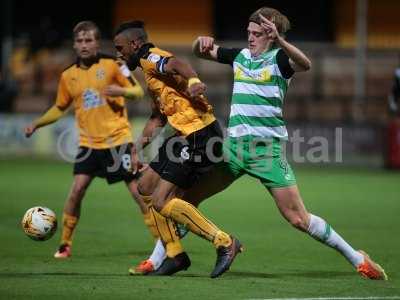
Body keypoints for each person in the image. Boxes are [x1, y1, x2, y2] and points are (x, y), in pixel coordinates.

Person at [139, 7, 388, 280]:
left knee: (298, 219)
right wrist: (200, 42)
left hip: (265, 153)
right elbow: (200, 52)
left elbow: (306, 65)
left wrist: (281, 42)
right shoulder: (240, 57)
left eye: (257, 34)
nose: (250, 38)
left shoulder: (280, 60)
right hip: (232, 150)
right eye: (249, 32)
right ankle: (157, 259)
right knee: (185, 200)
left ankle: (358, 259)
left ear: (271, 35)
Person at [113, 20, 242, 278]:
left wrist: (193, 79)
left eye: (120, 47)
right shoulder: (150, 76)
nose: (119, 53)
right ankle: (175, 255)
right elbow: (157, 118)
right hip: (182, 136)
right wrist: (137, 148)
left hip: (200, 135)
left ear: (135, 44)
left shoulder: (151, 57)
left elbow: (177, 64)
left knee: (163, 201)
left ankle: (225, 242)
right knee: (145, 187)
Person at [24, 21, 150, 259]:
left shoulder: (114, 64)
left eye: (89, 40)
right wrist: (37, 124)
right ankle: (64, 244)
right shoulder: (68, 76)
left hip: (117, 140)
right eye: (80, 41)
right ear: (74, 44)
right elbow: (59, 107)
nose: (84, 45)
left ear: (96, 42)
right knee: (76, 191)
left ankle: (162, 242)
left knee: (138, 192)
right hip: (88, 144)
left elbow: (137, 92)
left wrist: (120, 91)